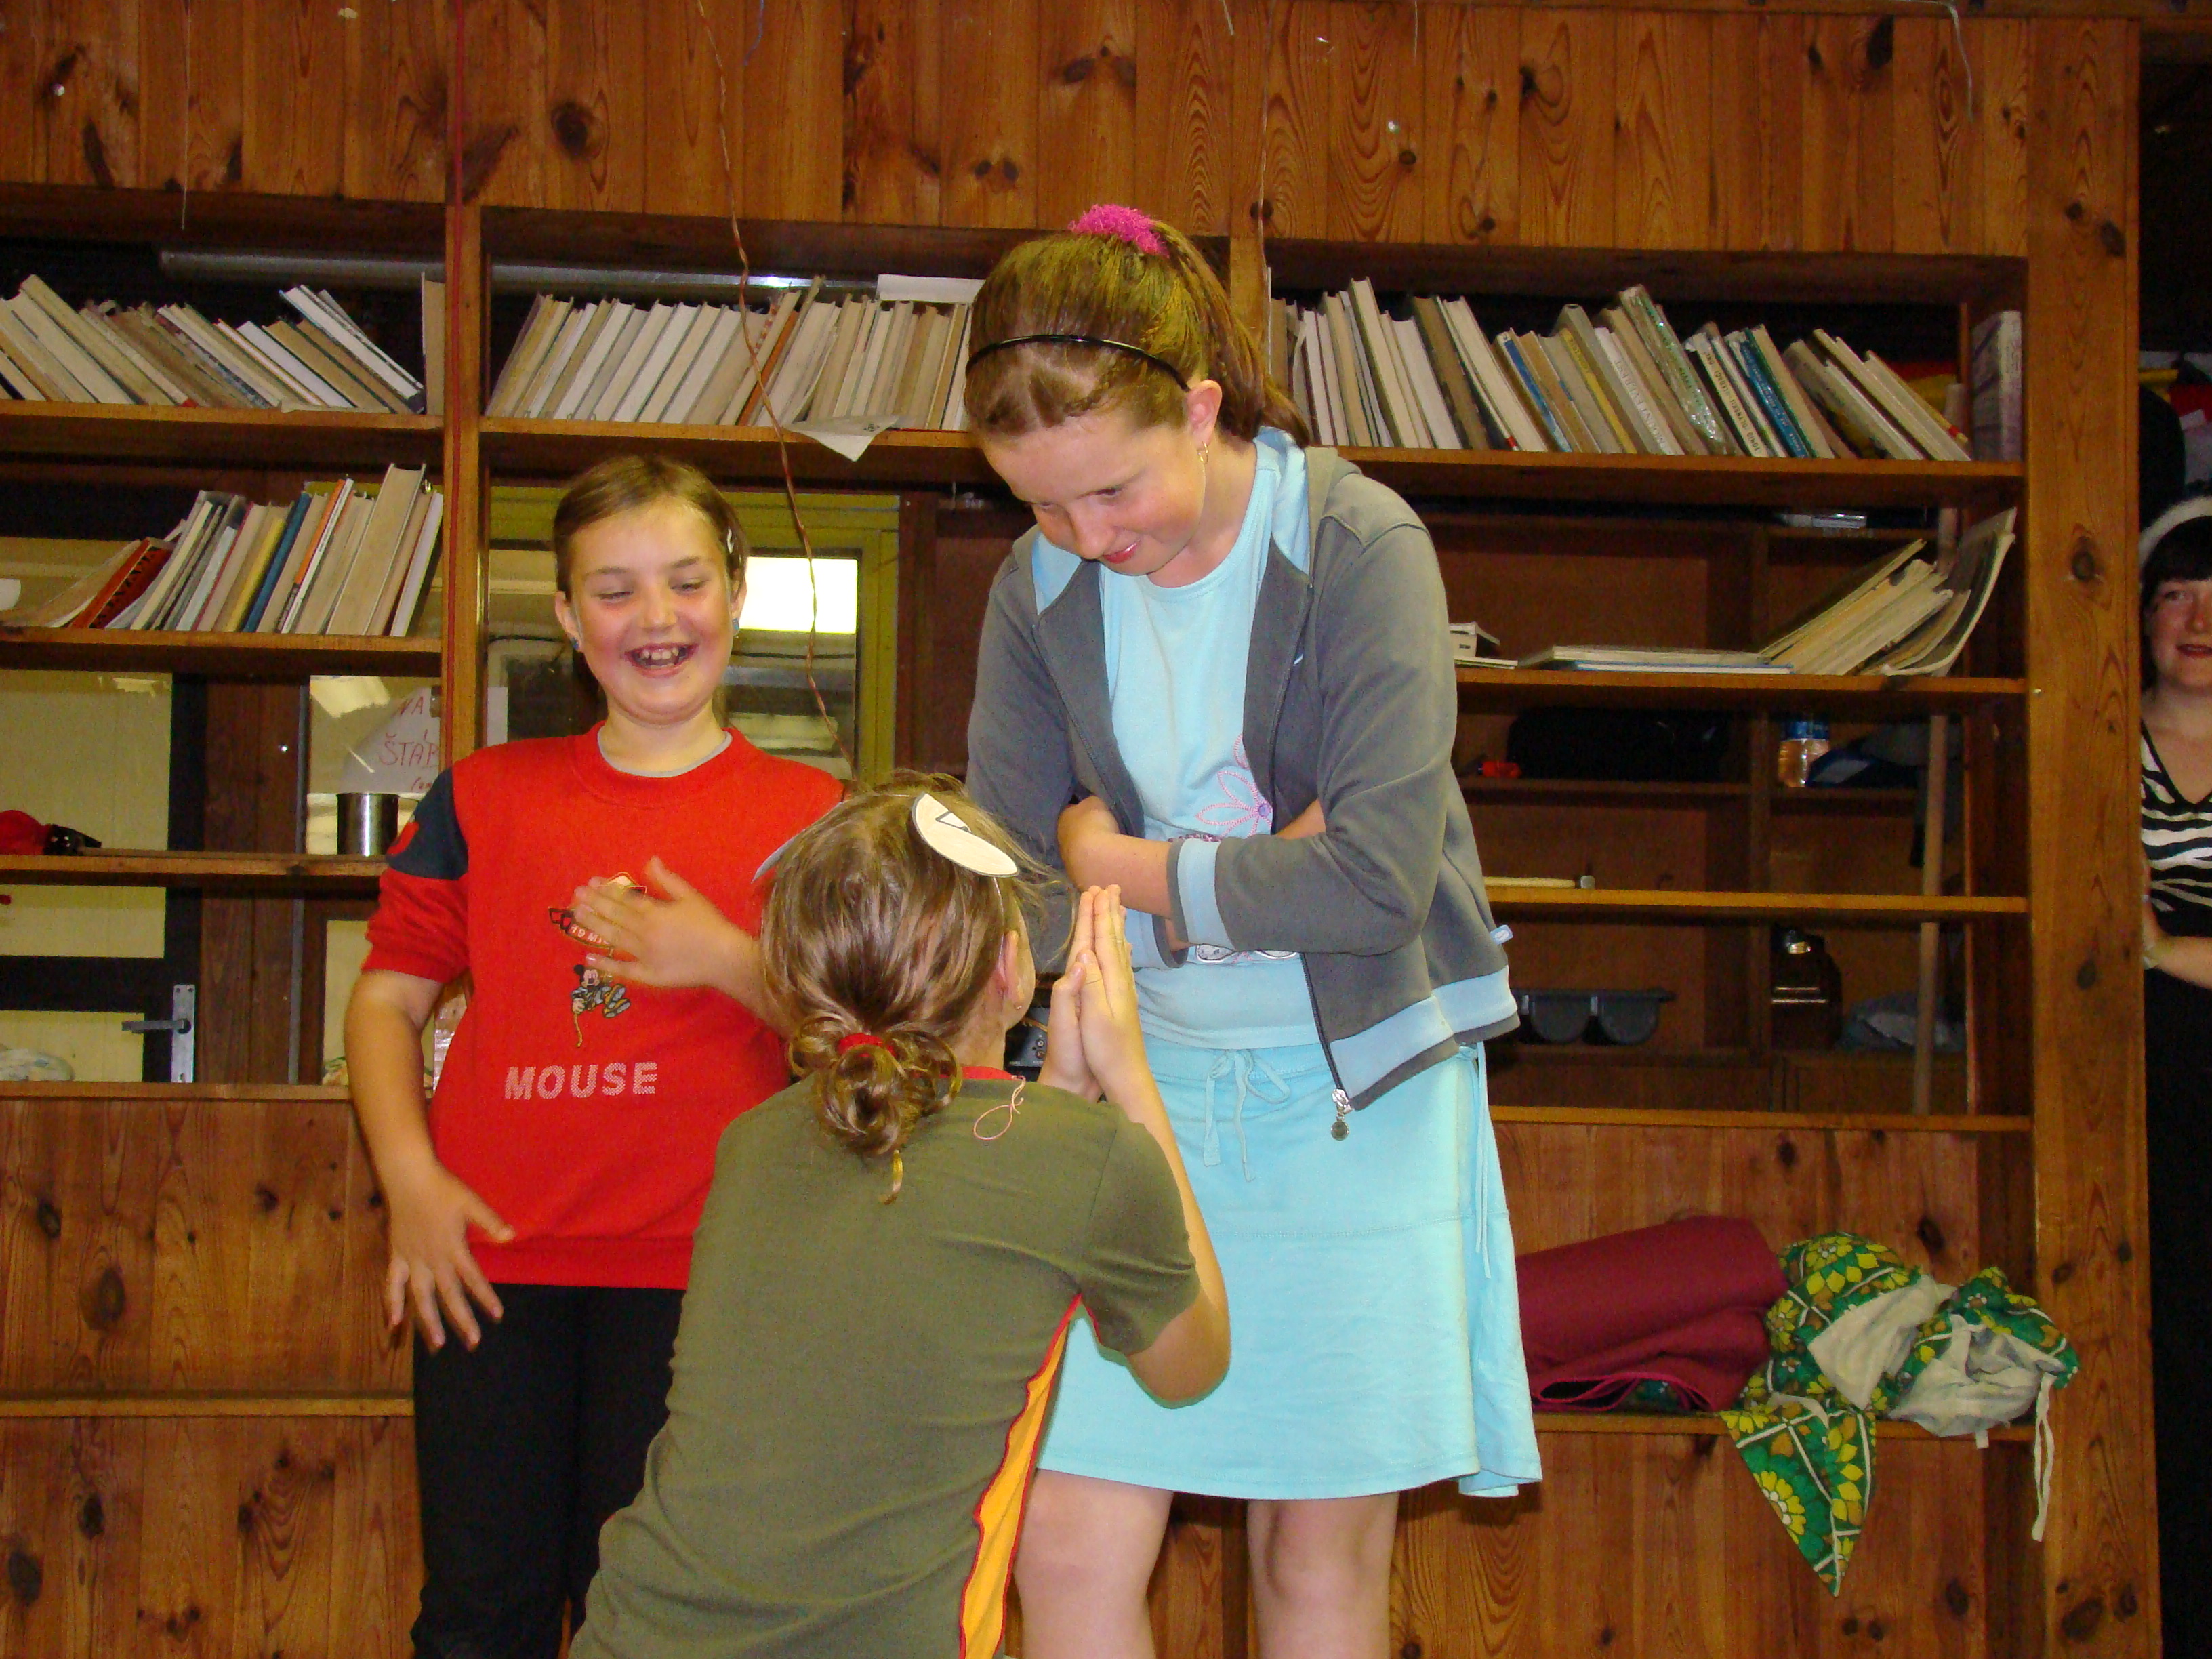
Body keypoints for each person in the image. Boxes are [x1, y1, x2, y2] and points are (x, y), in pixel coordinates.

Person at [960, 204, 1541, 1659]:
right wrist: (1223, 897)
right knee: (1066, 1541)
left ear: (1202, 408)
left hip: (1357, 1103)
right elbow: (1008, 882)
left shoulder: (1356, 543)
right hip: (1133, 1096)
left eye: (1114, 490)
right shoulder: (1037, 587)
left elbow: (1376, 884)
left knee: (1317, 1554)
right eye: (1043, 506)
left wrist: (1125, 868)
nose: (1089, 540)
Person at [346, 455, 842, 1659]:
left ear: (736, 595)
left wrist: (725, 960)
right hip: (486, 1271)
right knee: (479, 1616)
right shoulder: (483, 795)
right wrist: (411, 1186)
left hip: (706, 1279)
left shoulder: (815, 815)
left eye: (686, 582)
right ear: (570, 618)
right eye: (615, 591)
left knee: (655, 1623)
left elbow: (859, 1038)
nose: (656, 618)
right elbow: (385, 1003)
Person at [571, 781, 1229, 1659]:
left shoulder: (755, 1144)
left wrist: (1061, 1098)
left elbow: (959, 1228)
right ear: (1011, 969)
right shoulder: (1085, 1160)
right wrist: (1129, 1078)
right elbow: (1191, 1365)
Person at [2137, 500, 2212, 1659]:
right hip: (2139, 1079)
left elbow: (2139, 935)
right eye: (2176, 596)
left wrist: (2162, 947)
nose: (2199, 621)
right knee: (2167, 1361)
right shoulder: (2102, 735)